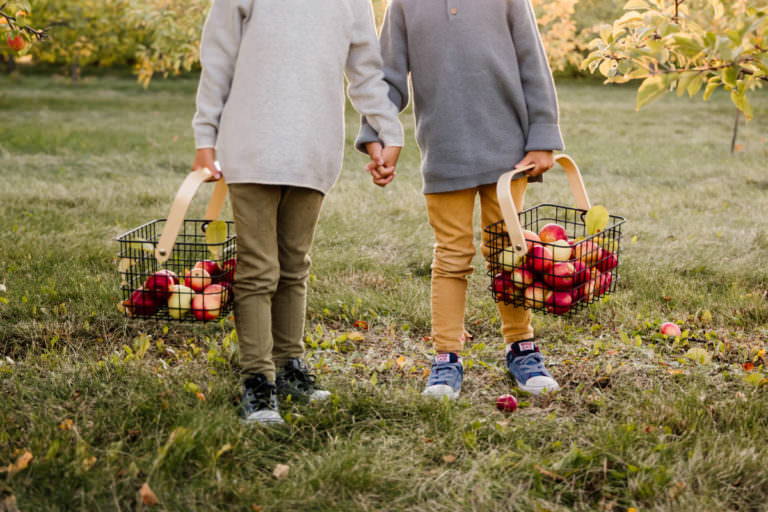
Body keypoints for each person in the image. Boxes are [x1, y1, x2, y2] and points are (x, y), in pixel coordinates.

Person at [192, 0, 403, 425]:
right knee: (258, 267)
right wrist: (205, 136)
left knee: (294, 264)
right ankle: (258, 378)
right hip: (251, 145)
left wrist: (387, 127)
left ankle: (289, 365)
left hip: (313, 149)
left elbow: (365, 69)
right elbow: (218, 57)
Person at [357, 0, 564, 399]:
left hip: (509, 152)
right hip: (445, 150)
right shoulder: (404, 4)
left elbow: (533, 65)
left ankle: (521, 347)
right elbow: (389, 79)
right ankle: (446, 357)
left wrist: (543, 137)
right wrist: (376, 134)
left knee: (508, 251)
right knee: (451, 255)